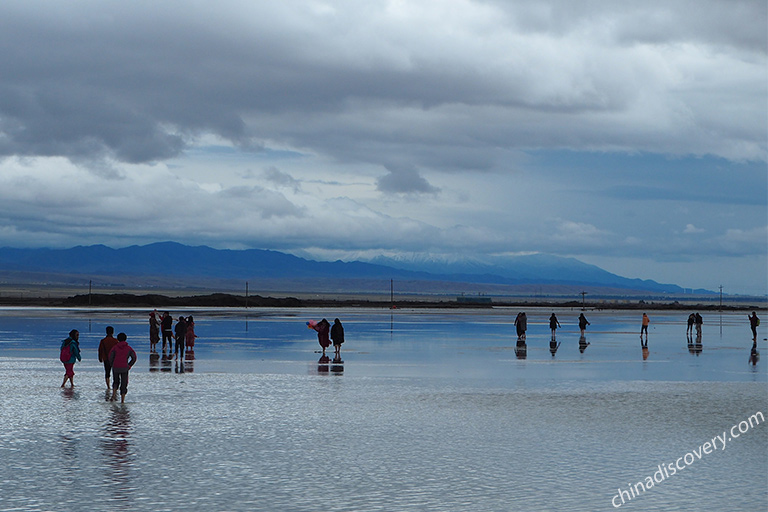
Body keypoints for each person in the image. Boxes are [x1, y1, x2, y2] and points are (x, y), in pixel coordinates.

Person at [108, 333, 137, 403]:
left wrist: (112, 364)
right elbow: (134, 357)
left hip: (116, 367)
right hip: (124, 367)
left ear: (118, 339)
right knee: (124, 383)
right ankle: (122, 400)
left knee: (116, 381)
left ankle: (113, 396)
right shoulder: (128, 348)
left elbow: (110, 357)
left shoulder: (115, 348)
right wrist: (129, 365)